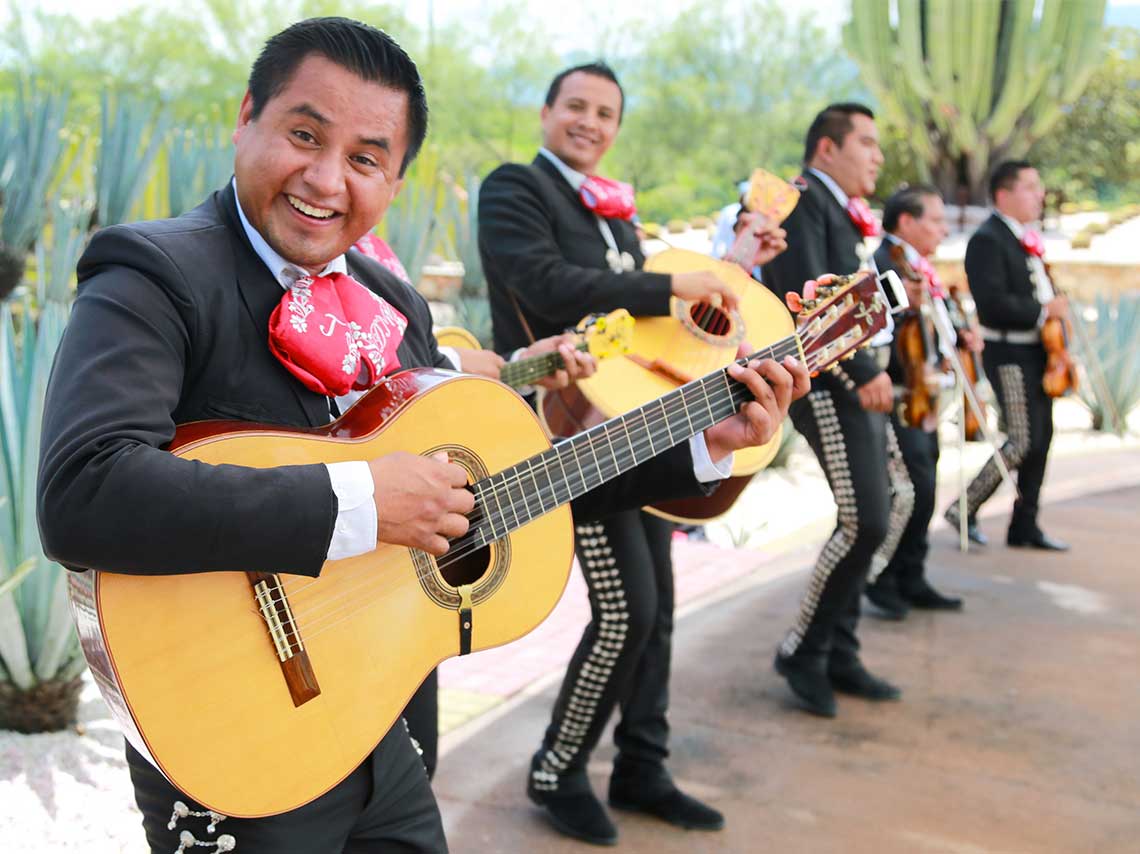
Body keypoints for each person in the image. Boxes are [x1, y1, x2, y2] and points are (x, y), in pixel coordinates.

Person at [36, 20, 805, 854]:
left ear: (396, 180)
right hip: (233, 731)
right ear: (246, 116)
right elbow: (85, 492)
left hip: (382, 724)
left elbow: (521, 485)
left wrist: (707, 440)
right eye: (303, 134)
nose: (327, 180)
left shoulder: (391, 304)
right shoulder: (154, 272)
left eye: (366, 159)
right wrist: (368, 499)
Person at [477, 61, 796, 846]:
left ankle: (641, 766)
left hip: (636, 424)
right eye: (576, 106)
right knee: (627, 612)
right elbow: (547, 284)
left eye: (606, 113)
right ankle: (556, 768)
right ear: (546, 111)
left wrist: (734, 265)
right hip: (565, 429)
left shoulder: (615, 211)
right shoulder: (516, 188)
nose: (590, 122)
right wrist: (676, 285)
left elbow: (649, 324)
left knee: (659, 613)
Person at [759, 103, 914, 718]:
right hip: (828, 386)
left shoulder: (837, 208)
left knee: (895, 505)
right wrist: (864, 374)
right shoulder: (801, 201)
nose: (877, 156)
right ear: (827, 148)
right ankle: (803, 649)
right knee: (866, 522)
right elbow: (808, 312)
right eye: (867, 143)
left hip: (858, 385)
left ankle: (838, 649)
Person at [942, 161, 1070, 552]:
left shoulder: (1021, 238)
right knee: (1020, 440)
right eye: (1030, 187)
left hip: (1037, 351)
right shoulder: (988, 239)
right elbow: (993, 304)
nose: (1039, 194)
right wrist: (1045, 311)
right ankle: (964, 508)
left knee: (1043, 437)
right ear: (1003, 194)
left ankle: (1025, 524)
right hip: (1009, 352)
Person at [864, 185, 978, 618]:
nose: (943, 230)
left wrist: (958, 332)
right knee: (913, 488)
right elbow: (871, 320)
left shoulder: (919, 268)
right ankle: (885, 577)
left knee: (927, 486)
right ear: (906, 222)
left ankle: (912, 573)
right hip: (898, 392)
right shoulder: (881, 264)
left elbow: (936, 320)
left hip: (924, 393)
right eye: (935, 220)